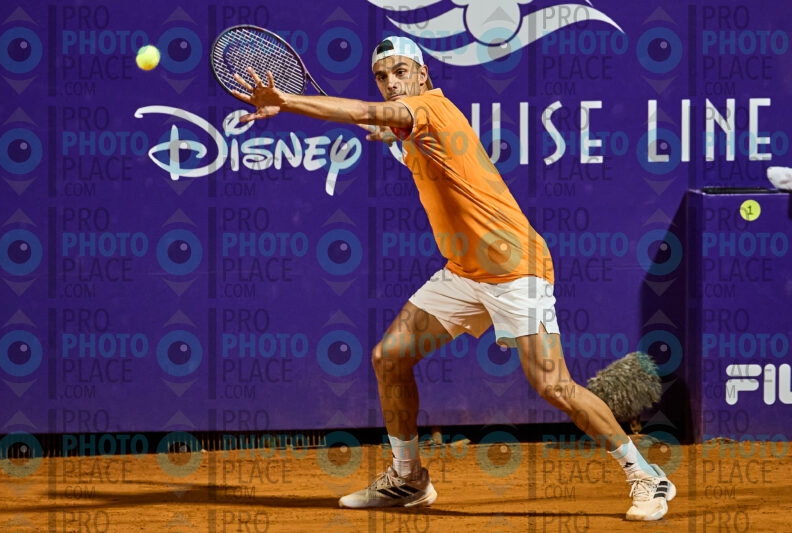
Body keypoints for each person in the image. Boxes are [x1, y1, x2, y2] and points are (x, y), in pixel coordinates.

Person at [232, 36, 675, 522]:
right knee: (390, 357)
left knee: (554, 386)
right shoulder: (414, 123)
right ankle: (408, 479)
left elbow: (364, 111)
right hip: (465, 271)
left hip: (514, 268)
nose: (390, 82)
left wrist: (286, 101)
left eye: (401, 71)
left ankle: (645, 475)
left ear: (423, 74)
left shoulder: (431, 109)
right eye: (382, 76)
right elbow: (396, 129)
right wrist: (393, 134)